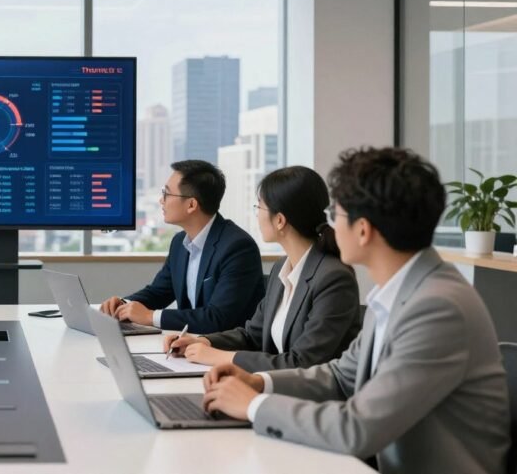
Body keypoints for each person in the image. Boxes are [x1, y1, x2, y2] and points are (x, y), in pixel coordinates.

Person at [201, 147, 510, 474]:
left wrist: (254, 405)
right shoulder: (394, 293)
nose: (328, 226)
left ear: (363, 230)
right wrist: (258, 382)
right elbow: (340, 377)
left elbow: (357, 429)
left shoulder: (438, 308)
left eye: (336, 215)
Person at [164, 166, 360, 371]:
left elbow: (302, 362)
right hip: (275, 388)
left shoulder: (333, 279)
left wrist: (220, 357)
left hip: (311, 397)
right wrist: (204, 342)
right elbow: (252, 335)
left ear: (280, 220)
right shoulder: (281, 269)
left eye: (259, 207)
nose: (256, 215)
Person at [100, 160, 264, 333]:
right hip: (191, 345)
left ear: (191, 205)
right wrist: (123, 304)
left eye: (166, 194)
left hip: (228, 350)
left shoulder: (237, 247)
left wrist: (150, 317)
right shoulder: (180, 243)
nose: (160, 200)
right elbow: (158, 292)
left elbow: (218, 318)